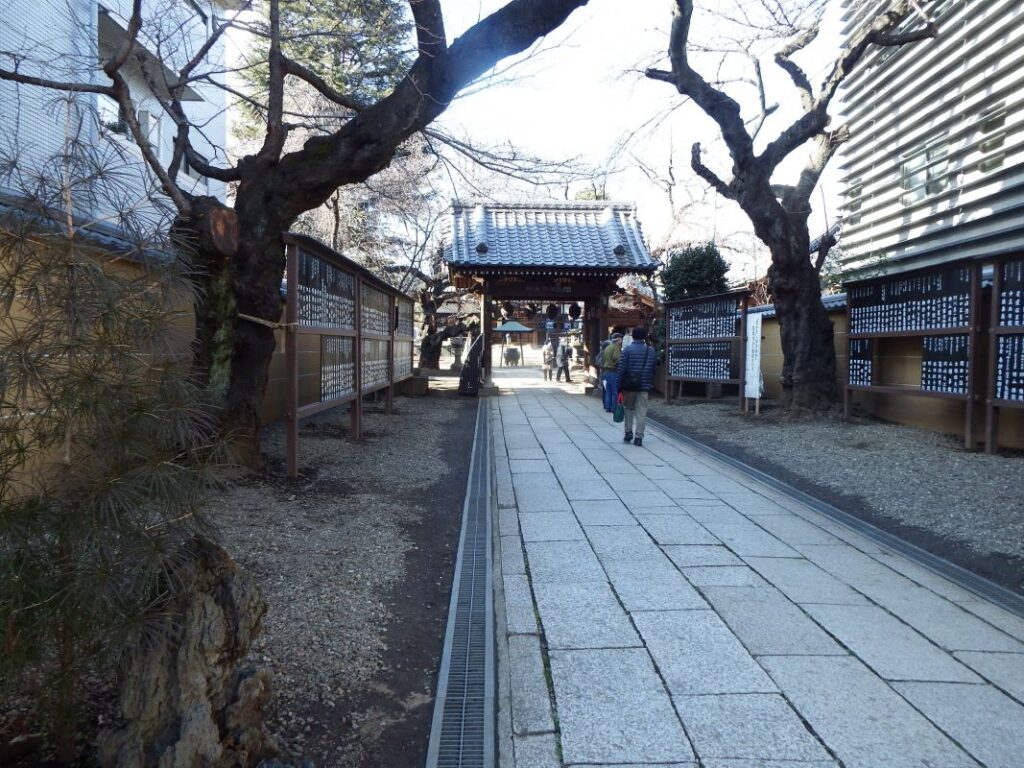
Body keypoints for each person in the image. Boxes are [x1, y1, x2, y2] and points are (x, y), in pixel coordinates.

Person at [615, 326, 656, 446]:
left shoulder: (627, 350)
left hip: (629, 386)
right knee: (642, 411)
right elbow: (653, 369)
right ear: (644, 337)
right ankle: (639, 436)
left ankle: (628, 432)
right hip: (644, 385)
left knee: (629, 408)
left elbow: (621, 369)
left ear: (632, 336)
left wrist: (619, 385)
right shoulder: (650, 350)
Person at [600, 333, 623, 412]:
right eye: (621, 339)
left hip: (606, 371)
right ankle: (614, 407)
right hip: (613, 371)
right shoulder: (616, 347)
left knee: (608, 391)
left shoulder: (608, 347)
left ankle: (607, 406)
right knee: (614, 391)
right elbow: (616, 358)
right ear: (618, 339)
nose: (621, 341)